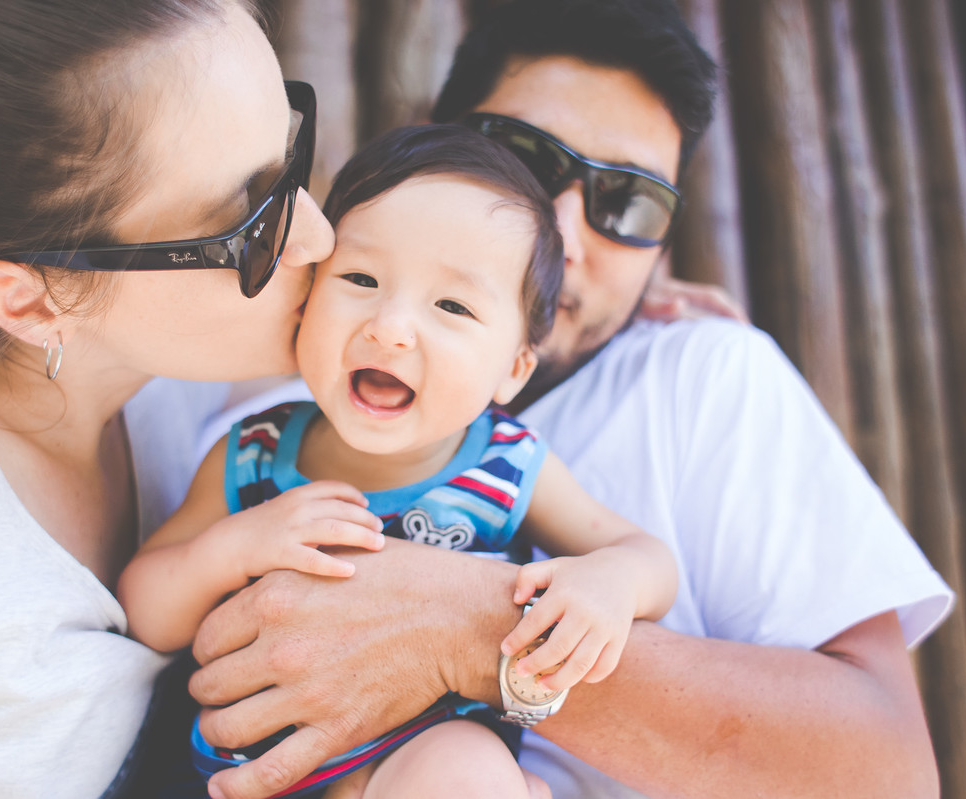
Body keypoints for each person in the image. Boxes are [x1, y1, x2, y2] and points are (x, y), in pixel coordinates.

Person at [182, 2, 956, 798]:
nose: (563, 229)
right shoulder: (268, 395)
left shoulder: (706, 377)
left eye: (629, 204)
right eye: (520, 158)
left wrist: (471, 629)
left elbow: (892, 772)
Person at [0, 0, 338, 795]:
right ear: (29, 300)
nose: (317, 237)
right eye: (251, 223)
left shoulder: (169, 396)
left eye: (294, 162)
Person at [118, 124, 678, 798]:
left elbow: (644, 555)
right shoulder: (252, 455)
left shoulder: (507, 468)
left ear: (514, 367)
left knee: (468, 773)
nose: (390, 325)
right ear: (308, 296)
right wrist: (232, 548)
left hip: (424, 753)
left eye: (451, 304)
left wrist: (612, 581)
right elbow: (146, 607)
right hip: (247, 766)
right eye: (360, 277)